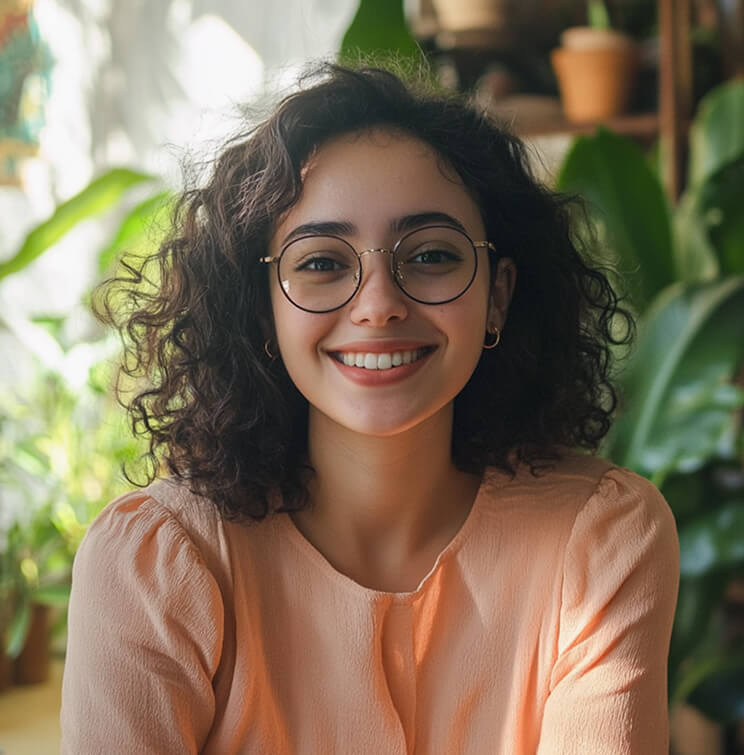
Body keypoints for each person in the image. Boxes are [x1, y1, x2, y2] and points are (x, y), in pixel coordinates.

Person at [60, 63, 679, 754]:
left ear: (498, 296)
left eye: (433, 254)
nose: (379, 303)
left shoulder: (598, 542)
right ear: (261, 310)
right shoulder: (161, 564)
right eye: (322, 262)